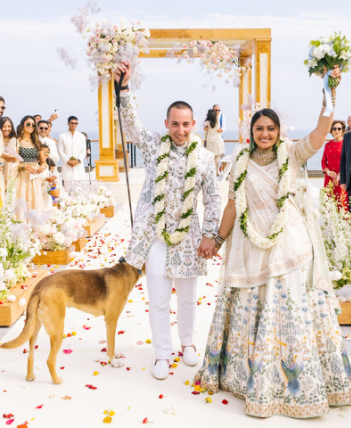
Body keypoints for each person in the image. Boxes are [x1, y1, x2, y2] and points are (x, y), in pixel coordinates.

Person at [195, 65, 351, 418]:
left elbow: (320, 131)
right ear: (250, 133)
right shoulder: (239, 161)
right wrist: (217, 240)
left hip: (289, 245)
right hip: (251, 248)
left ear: (279, 131)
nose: (265, 133)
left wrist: (329, 94)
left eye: (270, 128)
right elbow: (232, 206)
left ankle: (296, 384)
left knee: (290, 309)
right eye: (259, 129)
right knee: (254, 307)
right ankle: (253, 377)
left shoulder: (292, 154)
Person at [114, 61, 220, 381]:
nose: (181, 130)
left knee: (188, 298)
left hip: (189, 239)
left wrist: (210, 234)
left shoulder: (204, 157)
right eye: (175, 124)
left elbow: (213, 198)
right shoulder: (152, 146)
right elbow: (131, 124)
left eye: (186, 124)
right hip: (156, 238)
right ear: (167, 123)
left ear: (194, 125)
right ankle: (162, 352)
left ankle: (187, 344)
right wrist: (124, 87)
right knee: (158, 299)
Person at [7, 116, 47, 215]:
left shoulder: (37, 142)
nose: (31, 126)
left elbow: (43, 162)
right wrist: (25, 167)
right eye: (28, 124)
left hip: (35, 177)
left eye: (33, 125)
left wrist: (42, 167)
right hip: (21, 177)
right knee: (21, 200)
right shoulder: (15, 142)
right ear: (22, 125)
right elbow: (12, 163)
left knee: (34, 201)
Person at [321, 119, 348, 208]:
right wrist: (328, 172)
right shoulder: (327, 145)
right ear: (331, 131)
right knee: (329, 203)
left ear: (342, 130)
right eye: (334, 128)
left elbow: (348, 162)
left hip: (342, 178)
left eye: (339, 128)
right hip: (329, 178)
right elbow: (323, 161)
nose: (337, 131)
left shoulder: (346, 144)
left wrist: (339, 176)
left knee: (342, 202)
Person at [58, 116, 86, 187]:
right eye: (72, 123)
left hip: (78, 166)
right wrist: (68, 161)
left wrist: (77, 161)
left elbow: (83, 151)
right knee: (66, 189)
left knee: (79, 191)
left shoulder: (81, 136)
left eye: (75, 123)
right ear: (68, 123)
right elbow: (60, 151)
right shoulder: (62, 136)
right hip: (67, 166)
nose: (74, 125)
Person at [203, 109, 224, 173]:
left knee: (210, 157)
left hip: (210, 141)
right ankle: (217, 171)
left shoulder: (206, 123)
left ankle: (211, 171)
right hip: (217, 140)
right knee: (217, 156)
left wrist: (205, 138)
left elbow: (205, 133)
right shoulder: (217, 122)